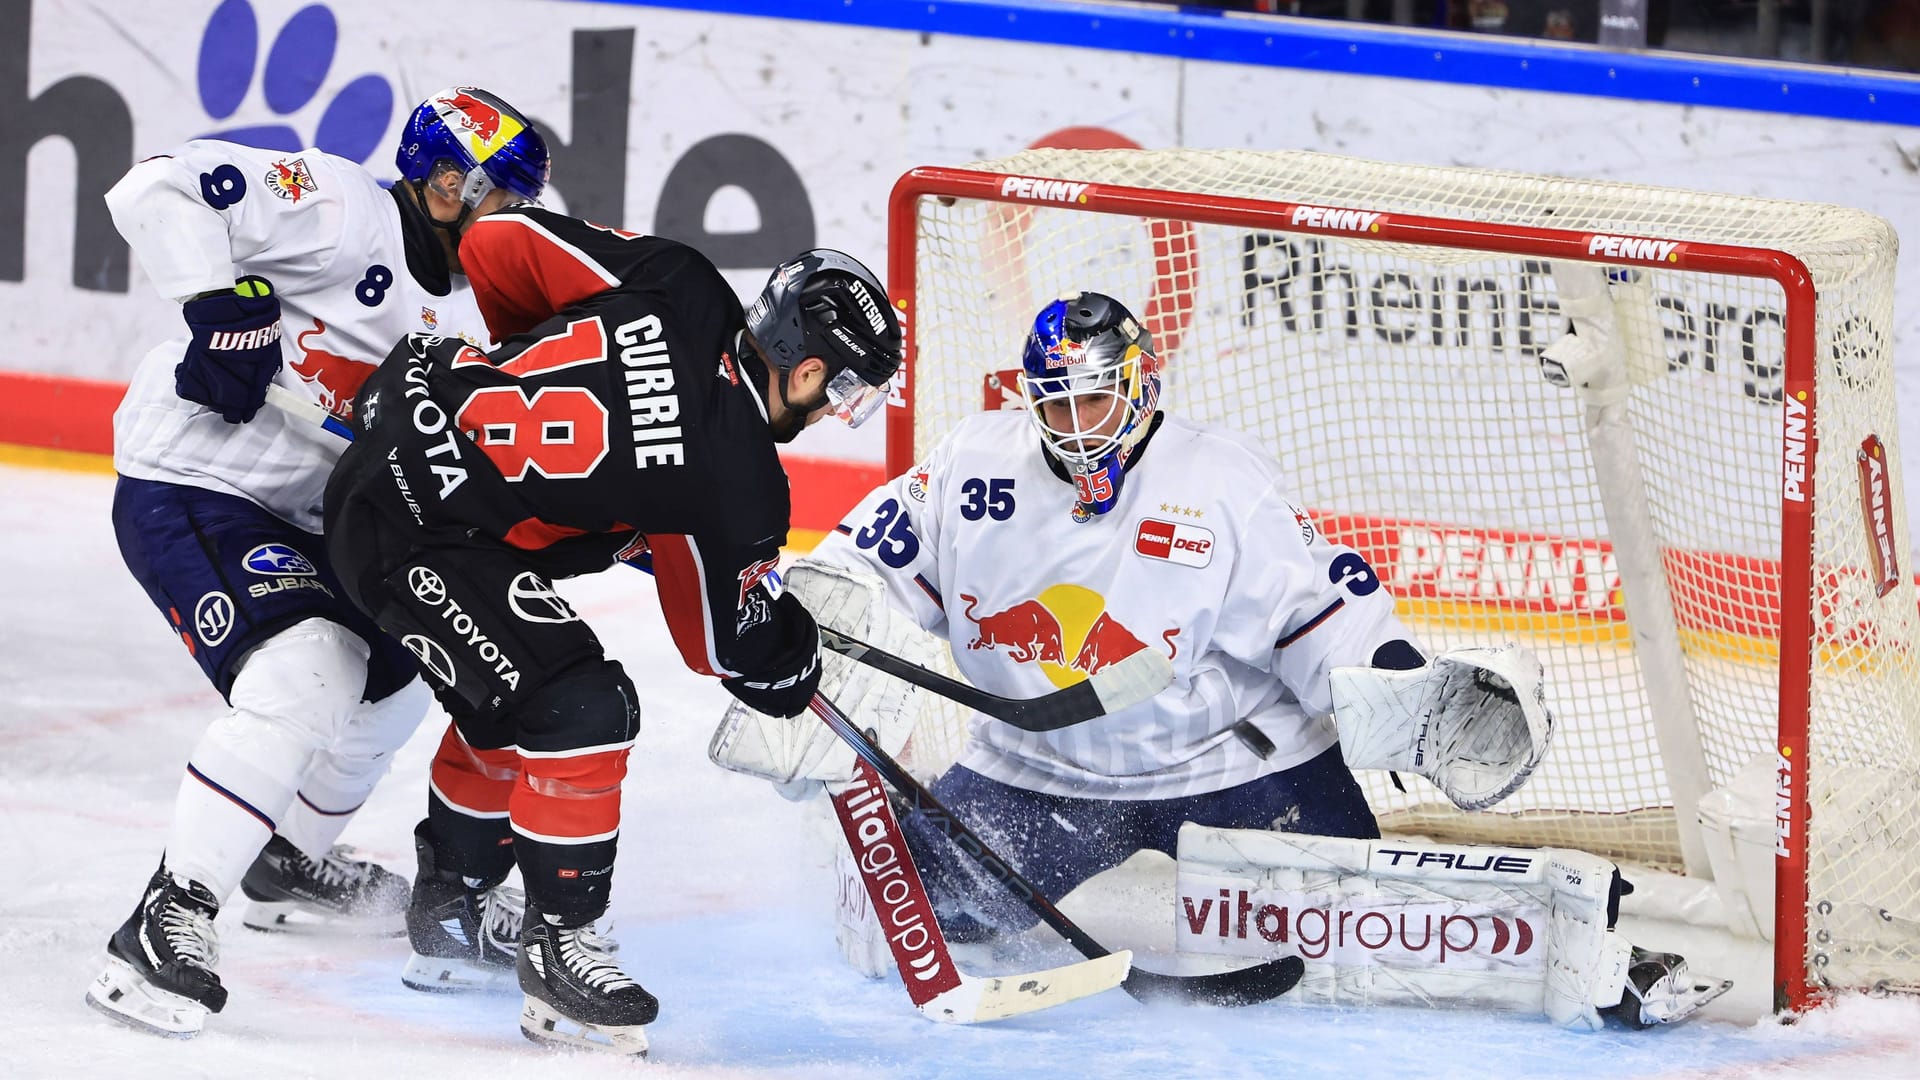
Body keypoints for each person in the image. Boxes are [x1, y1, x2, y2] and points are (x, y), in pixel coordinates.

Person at [713, 290, 1553, 937]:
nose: (1075, 430)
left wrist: (1403, 691)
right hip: (1036, 772)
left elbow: (1323, 611)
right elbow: (859, 568)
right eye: (1054, 404)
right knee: (902, 933)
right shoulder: (974, 466)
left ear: (1139, 384)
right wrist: (796, 657)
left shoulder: (1218, 481)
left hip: (1234, 766)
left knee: (1376, 933)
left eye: (1094, 402)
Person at [319, 216, 904, 1055]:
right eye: (841, 392)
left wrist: (527, 367)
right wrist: (792, 657)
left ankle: (453, 912)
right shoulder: (738, 484)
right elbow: (720, 647)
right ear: (806, 368)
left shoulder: (683, 281)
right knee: (581, 706)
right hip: (417, 535)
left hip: (407, 403)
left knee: (511, 693)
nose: (833, 410)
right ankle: (561, 948)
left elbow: (496, 242)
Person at [88, 87, 550, 1039]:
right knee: (312, 668)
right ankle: (167, 915)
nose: (513, 222)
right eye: (500, 197)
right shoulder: (339, 209)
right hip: (194, 478)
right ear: (444, 183)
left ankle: (286, 858)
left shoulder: (474, 322)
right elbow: (152, 189)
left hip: (316, 518)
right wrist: (219, 305)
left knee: (405, 670)